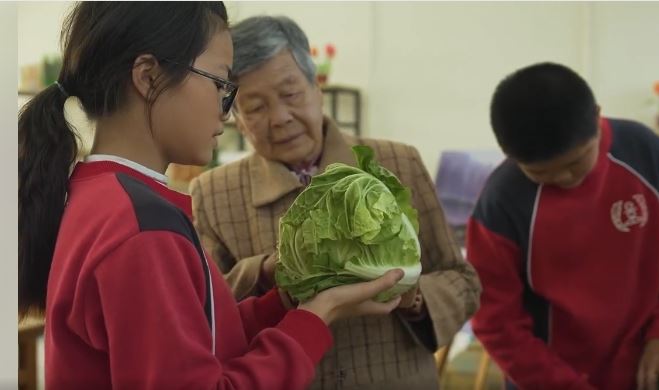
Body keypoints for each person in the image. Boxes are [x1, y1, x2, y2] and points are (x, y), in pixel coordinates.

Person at [18, 3, 405, 389]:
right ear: (149, 77)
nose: (227, 111)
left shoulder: (103, 196)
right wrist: (319, 315)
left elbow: (201, 342)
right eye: (219, 84)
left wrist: (286, 300)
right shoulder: (141, 229)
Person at [190, 15, 481, 389]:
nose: (280, 118)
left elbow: (463, 281)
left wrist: (413, 296)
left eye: (291, 93)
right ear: (238, 121)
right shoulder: (213, 192)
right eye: (256, 107)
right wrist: (268, 270)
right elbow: (208, 314)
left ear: (317, 88)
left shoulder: (398, 162)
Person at [466, 62, 659, 390]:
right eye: (541, 173)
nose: (564, 179)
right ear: (508, 154)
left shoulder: (644, 152)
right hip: (548, 380)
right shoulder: (501, 203)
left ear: (597, 117)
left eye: (576, 161)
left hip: (647, 368)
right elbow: (496, 322)